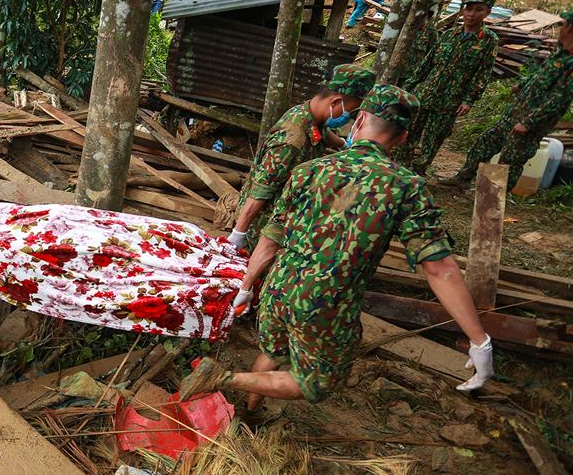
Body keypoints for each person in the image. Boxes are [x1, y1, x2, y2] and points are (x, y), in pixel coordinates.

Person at [180, 85, 494, 411]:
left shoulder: (308, 171)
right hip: (326, 303)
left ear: (357, 123)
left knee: (273, 353)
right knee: (314, 383)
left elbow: (271, 240)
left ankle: (251, 411)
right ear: (401, 138)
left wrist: (247, 287)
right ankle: (224, 379)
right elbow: (439, 268)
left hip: (277, 289)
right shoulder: (405, 187)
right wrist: (479, 340)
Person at [228, 64, 375, 251]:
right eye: (350, 112)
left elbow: (323, 132)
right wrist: (239, 233)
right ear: (335, 102)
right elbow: (262, 189)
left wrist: (343, 144)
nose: (349, 118)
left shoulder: (311, 113)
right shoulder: (292, 140)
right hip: (262, 223)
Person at [446, 11, 573, 191]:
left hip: (529, 123)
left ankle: (492, 202)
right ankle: (463, 178)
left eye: (564, 25)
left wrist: (528, 123)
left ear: (570, 29)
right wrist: (521, 86)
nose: (560, 29)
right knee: (485, 143)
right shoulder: (559, 53)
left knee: (508, 163)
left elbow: (559, 101)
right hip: (514, 113)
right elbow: (540, 77)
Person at [396, 0, 499, 175]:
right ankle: (399, 169)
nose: (471, 14)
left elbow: (483, 73)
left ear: (487, 12)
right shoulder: (449, 35)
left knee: (433, 139)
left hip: (450, 100)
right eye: (468, 9)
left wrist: (469, 100)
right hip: (426, 93)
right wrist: (409, 86)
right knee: (409, 133)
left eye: (478, 10)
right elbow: (427, 64)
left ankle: (417, 173)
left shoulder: (488, 41)